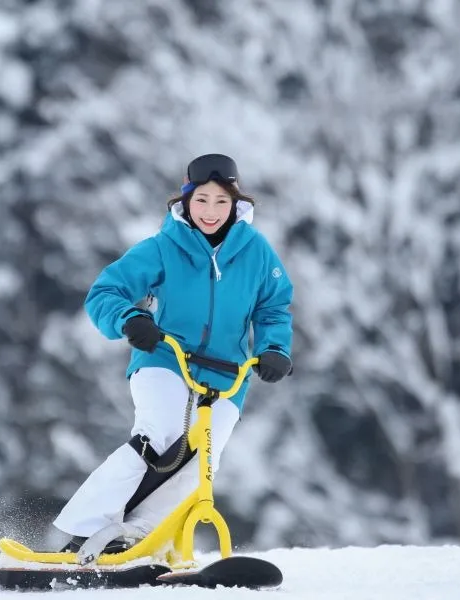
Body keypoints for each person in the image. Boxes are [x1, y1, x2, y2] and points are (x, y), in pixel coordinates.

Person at [51, 153, 294, 558]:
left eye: (221, 202)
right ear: (186, 200)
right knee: (160, 435)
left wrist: (274, 349)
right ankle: (84, 530)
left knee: (202, 460)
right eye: (201, 201)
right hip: (167, 359)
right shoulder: (165, 247)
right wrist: (130, 319)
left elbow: (273, 307)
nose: (210, 212)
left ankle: (138, 537)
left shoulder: (257, 253)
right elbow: (105, 292)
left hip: (228, 373)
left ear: (236, 203)